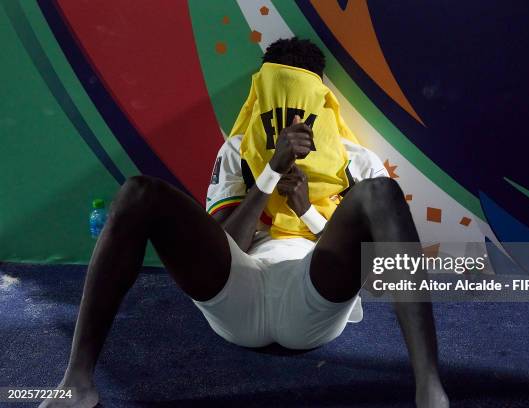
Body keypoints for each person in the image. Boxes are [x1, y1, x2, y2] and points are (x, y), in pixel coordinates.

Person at [41, 37, 448, 408]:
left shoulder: (356, 159)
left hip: (313, 297)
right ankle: (77, 383)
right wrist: (270, 172)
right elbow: (225, 243)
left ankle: (429, 390)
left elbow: (377, 274)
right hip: (239, 294)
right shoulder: (238, 149)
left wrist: (306, 209)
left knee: (380, 192)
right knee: (138, 192)